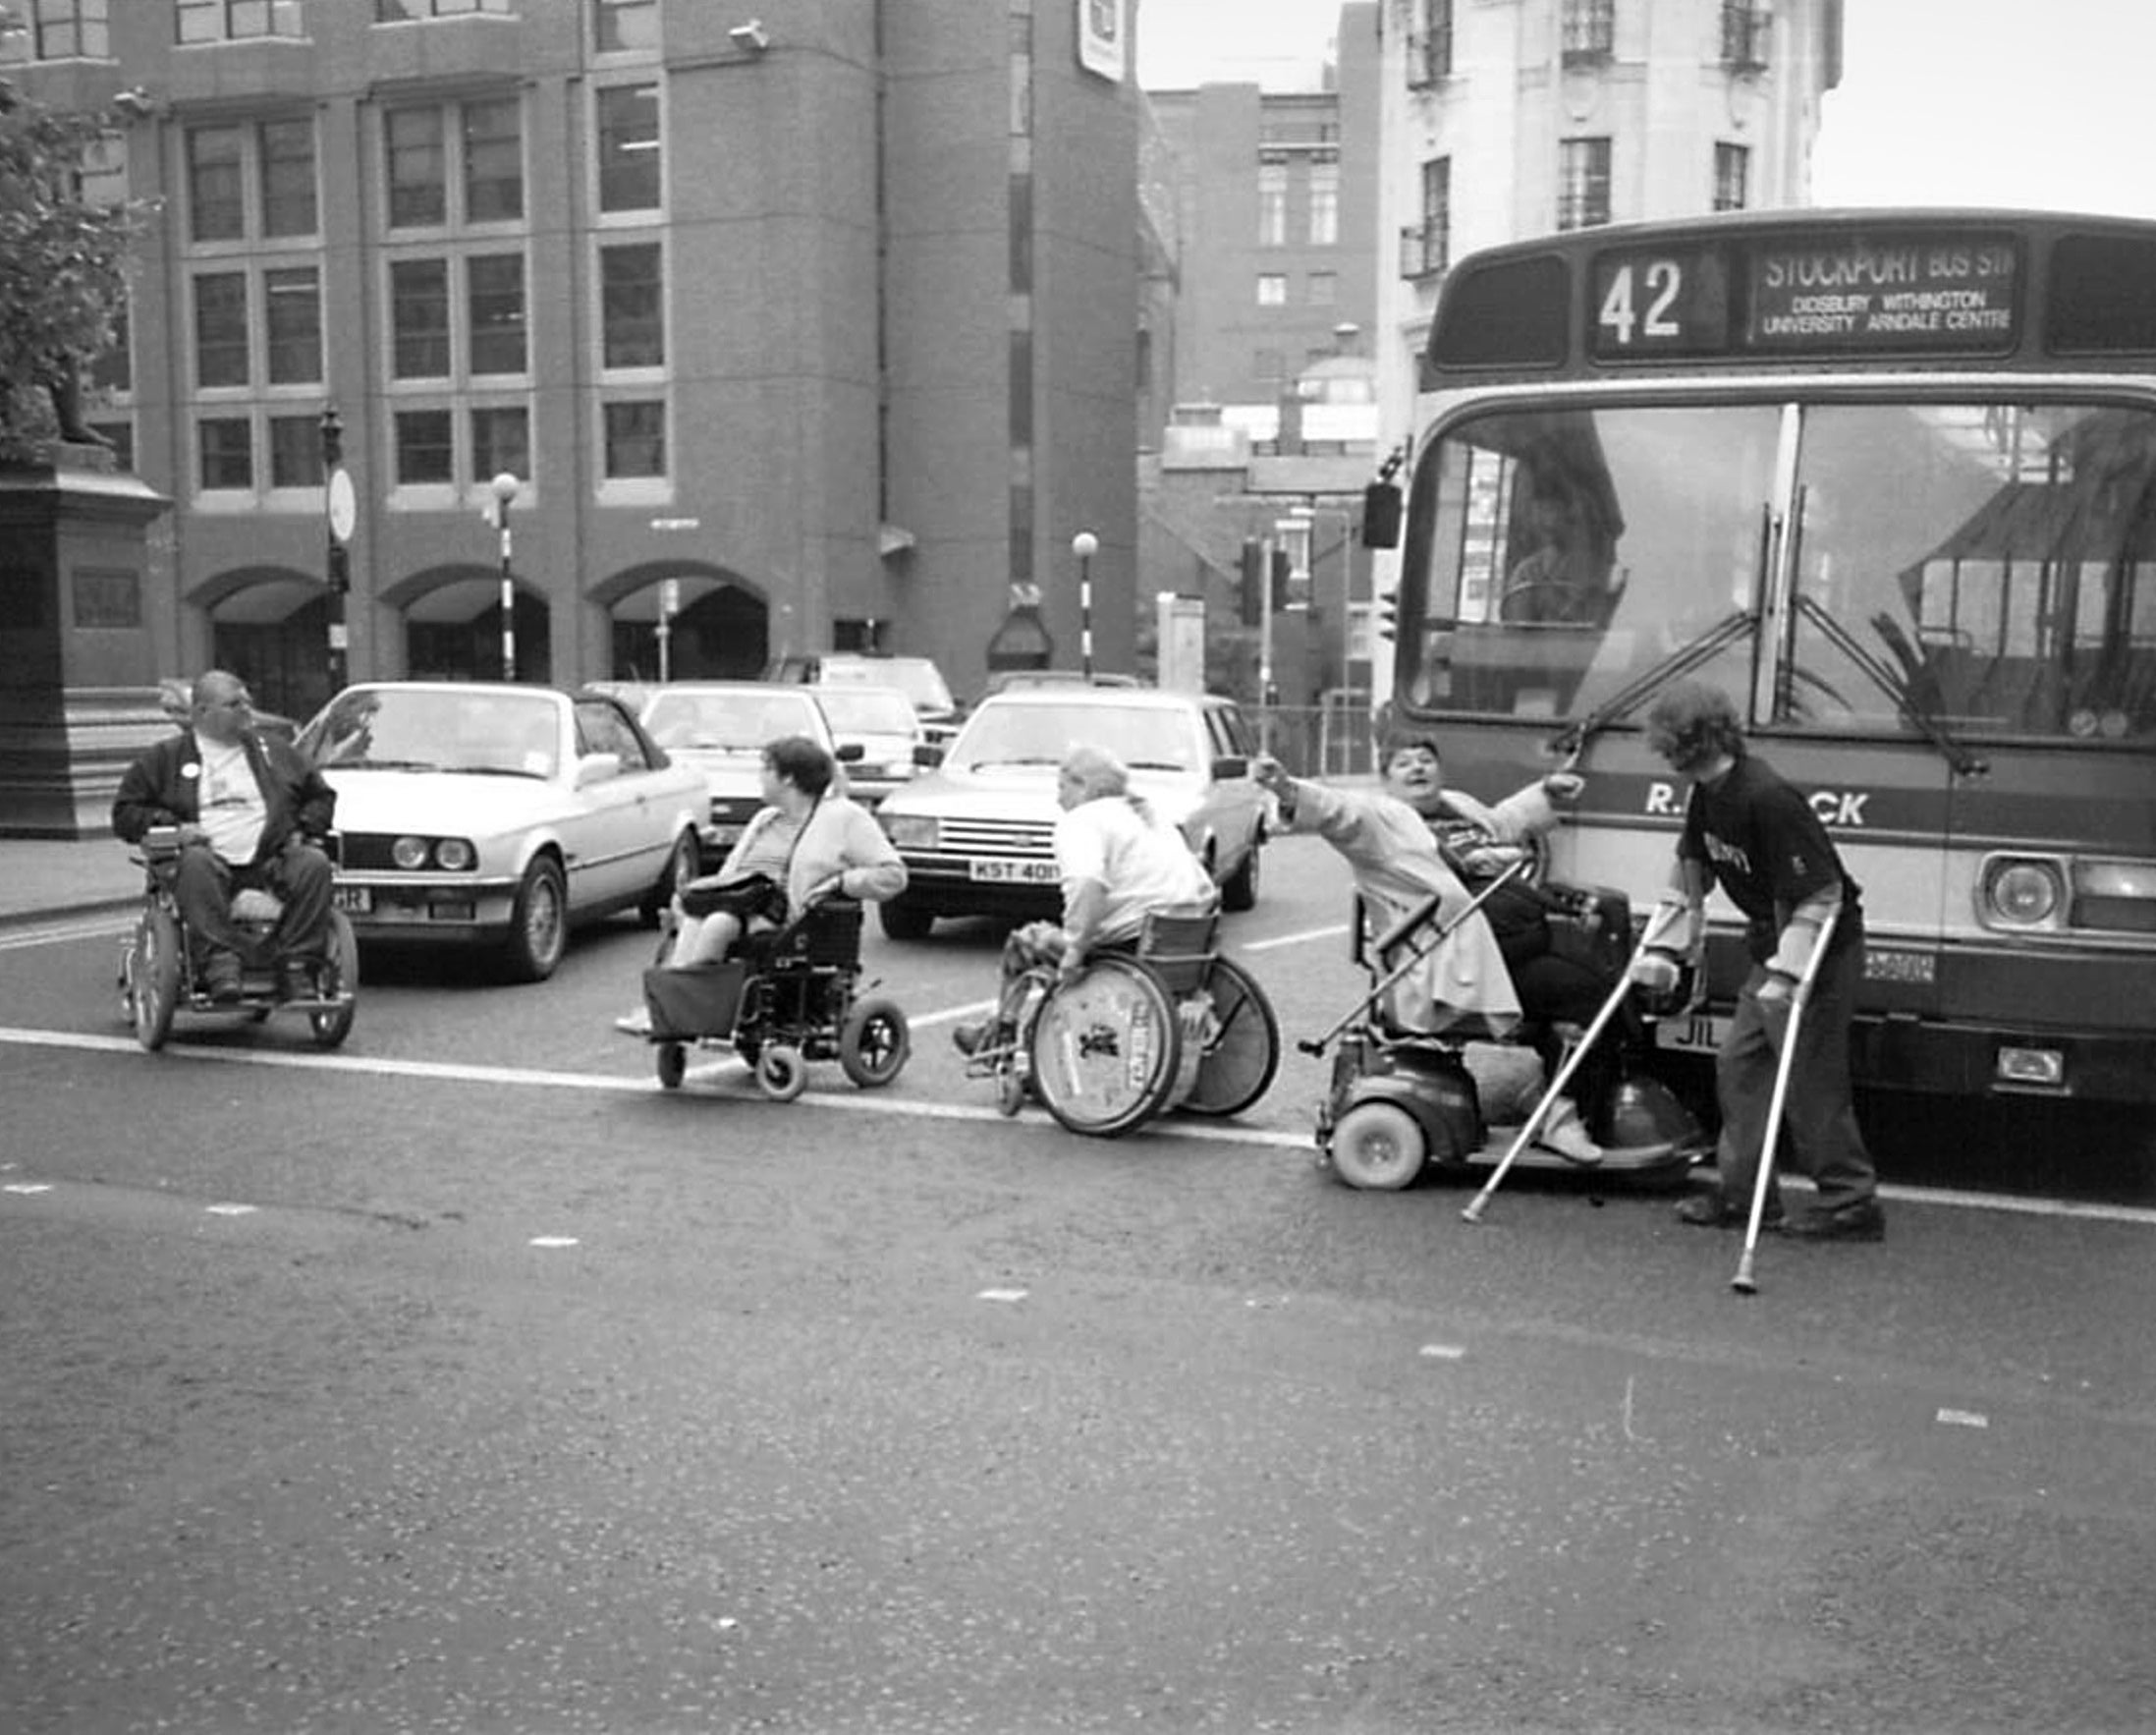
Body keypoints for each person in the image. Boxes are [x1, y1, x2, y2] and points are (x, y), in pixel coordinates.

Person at [1253, 737, 1603, 1163]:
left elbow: (1503, 821)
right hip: (1446, 961)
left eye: (1426, 760)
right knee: (1589, 996)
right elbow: (1337, 810)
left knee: (1596, 974)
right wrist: (1287, 789)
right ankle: (1560, 1117)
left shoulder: (1457, 806)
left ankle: (1552, 1093)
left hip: (1501, 949)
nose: (1418, 769)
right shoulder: (1381, 819)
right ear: (1387, 780)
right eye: (1404, 764)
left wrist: (1547, 791)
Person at [1631, 679, 1885, 1240]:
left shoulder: (1766, 798)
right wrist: (1666, 942)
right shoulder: (1707, 795)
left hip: (1820, 949)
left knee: (1810, 1076)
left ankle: (1852, 1202)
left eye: (1667, 742)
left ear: (1689, 741)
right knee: (1740, 1064)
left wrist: (1789, 972)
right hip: (1771, 944)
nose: (1662, 753)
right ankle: (1746, 1197)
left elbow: (1822, 893)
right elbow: (1691, 868)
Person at [614, 735, 905, 1034]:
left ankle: (680, 1011)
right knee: (696, 915)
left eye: (765, 769)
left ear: (788, 778)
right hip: (741, 903)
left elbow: (893, 875)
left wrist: (843, 881)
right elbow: (731, 875)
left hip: (792, 918)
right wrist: (693, 895)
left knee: (717, 923)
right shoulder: (766, 818)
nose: (759, 778)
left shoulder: (844, 818)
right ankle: (674, 1010)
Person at [949, 744, 1217, 1056]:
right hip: (1181, 943)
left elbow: (1087, 885)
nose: (1058, 798)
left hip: (1127, 948)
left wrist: (1075, 949)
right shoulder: (1151, 817)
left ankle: (1000, 1035)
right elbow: (1205, 888)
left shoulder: (1083, 821)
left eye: (1062, 787)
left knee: (1024, 943)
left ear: (1085, 786)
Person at [110, 669, 337, 1002]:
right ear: (202, 712)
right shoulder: (164, 759)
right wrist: (173, 826)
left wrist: (303, 828)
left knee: (314, 864)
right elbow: (125, 814)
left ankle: (298, 965)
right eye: (235, 704)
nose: (247, 709)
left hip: (269, 860)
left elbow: (321, 796)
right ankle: (219, 966)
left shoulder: (275, 751)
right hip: (206, 865)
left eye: (247, 701)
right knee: (195, 862)